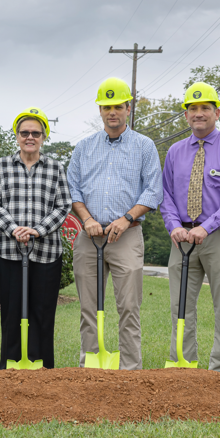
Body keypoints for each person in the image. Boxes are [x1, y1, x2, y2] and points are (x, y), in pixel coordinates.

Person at [67, 77, 162, 370]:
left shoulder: (144, 146)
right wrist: (87, 219)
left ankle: (130, 371)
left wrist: (127, 218)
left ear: (128, 108)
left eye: (118, 106)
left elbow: (153, 190)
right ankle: (91, 366)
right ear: (99, 109)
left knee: (129, 308)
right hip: (89, 236)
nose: (112, 112)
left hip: (127, 235)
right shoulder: (84, 147)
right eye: (107, 106)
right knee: (88, 309)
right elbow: (72, 188)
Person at [160, 82, 220, 380]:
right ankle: (183, 367)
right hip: (182, 239)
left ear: (217, 113)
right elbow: (166, 195)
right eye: (193, 109)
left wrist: (206, 227)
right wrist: (174, 225)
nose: (198, 114)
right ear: (186, 115)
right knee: (180, 305)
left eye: (205, 109)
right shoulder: (174, 152)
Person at [0, 107, 71, 369]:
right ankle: (9, 365)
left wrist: (38, 230)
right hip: (9, 252)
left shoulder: (55, 168)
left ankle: (43, 367)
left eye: (35, 133)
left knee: (42, 313)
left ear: (43, 136)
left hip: (46, 253)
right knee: (11, 312)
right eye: (24, 133)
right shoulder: (1, 166)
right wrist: (14, 229)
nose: (30, 137)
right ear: (17, 136)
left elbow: (63, 205)